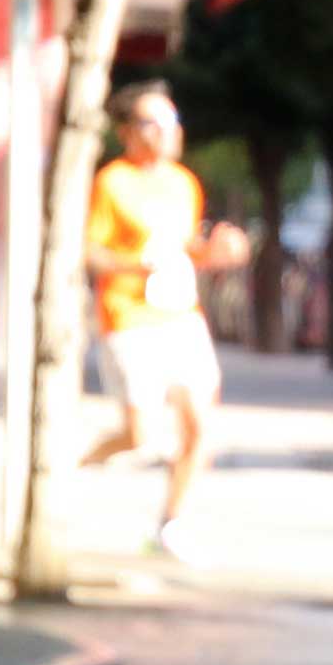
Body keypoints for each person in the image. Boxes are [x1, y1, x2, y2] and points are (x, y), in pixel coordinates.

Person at [81, 79, 250, 559]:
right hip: (130, 316)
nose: (167, 132)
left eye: (172, 121)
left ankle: (170, 525)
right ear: (128, 132)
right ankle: (76, 465)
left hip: (181, 316)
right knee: (140, 434)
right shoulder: (111, 181)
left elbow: (185, 251)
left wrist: (216, 252)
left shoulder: (183, 183)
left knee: (200, 427)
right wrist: (136, 266)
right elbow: (91, 252)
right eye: (153, 122)